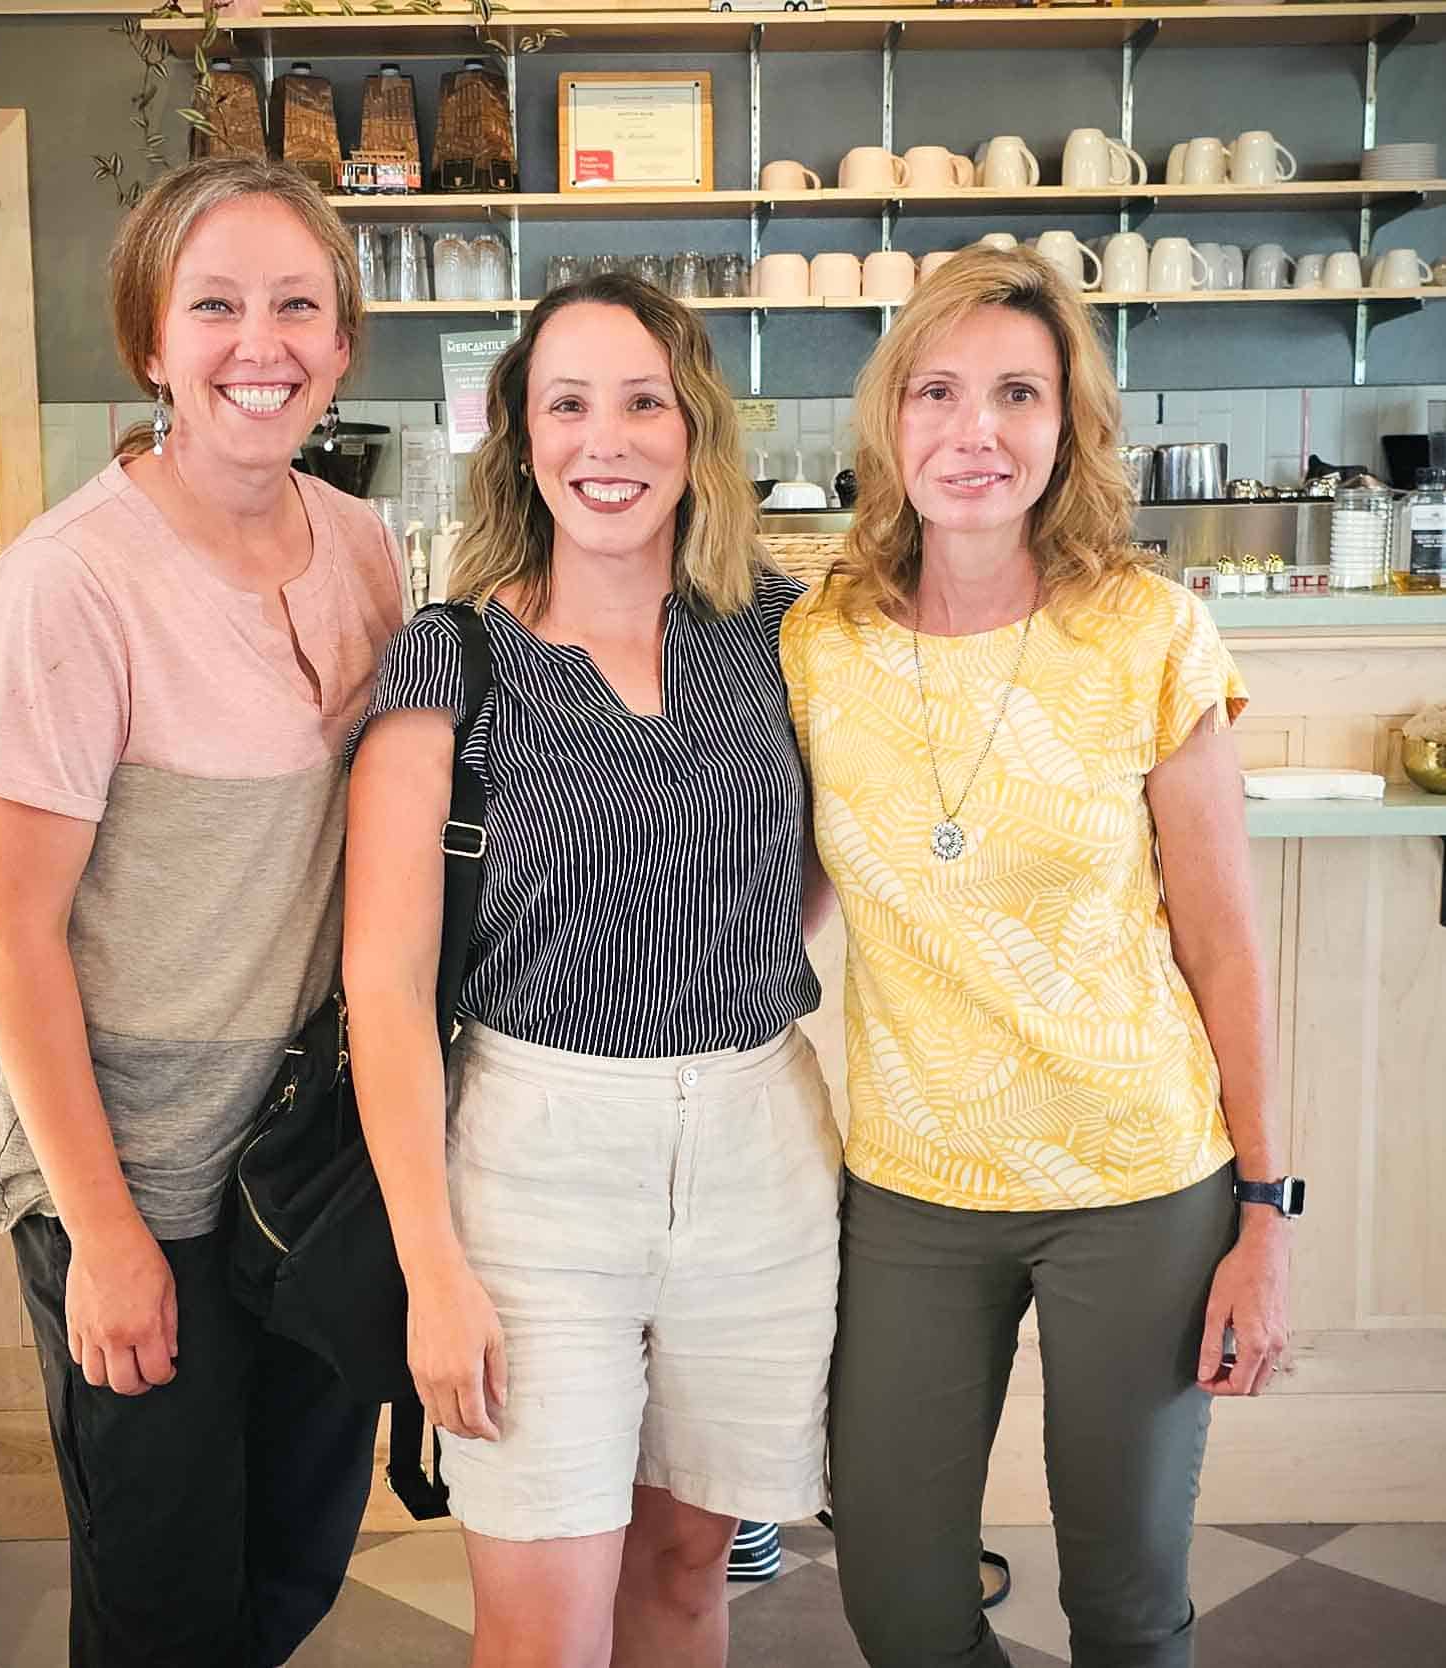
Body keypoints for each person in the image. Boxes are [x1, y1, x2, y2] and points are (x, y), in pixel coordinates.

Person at [781, 246, 1294, 1668]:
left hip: (1137, 1183)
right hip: (911, 1188)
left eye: (1019, 392)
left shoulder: (1148, 636)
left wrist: (1266, 1212)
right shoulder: (820, 642)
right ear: (891, 422)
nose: (975, 430)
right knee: (898, 1600)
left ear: (1069, 426)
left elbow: (1224, 947)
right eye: (938, 392)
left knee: (1128, 1609)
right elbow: (796, 892)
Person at [342, 271, 842, 1668]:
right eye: (567, 404)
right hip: (531, 1172)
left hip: (760, 1154)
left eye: (642, 401)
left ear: (695, 431)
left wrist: (703, 976)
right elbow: (382, 987)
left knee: (688, 1580)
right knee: (544, 1627)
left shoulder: (783, 641)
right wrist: (429, 1264)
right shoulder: (455, 661)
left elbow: (793, 879)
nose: (604, 440)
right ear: (517, 436)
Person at [0, 158, 403, 1668]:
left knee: (291, 1563)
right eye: (214, 306)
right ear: (151, 339)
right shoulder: (68, 582)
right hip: (133, 1169)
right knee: (163, 1605)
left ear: (344, 345)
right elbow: (11, 930)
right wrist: (104, 1232)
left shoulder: (364, 548)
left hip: (306, 1163)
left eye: (298, 307)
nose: (258, 344)